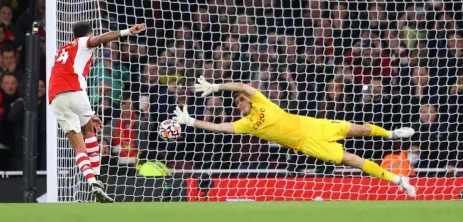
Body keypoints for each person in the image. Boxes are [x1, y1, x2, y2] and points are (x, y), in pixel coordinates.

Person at [173, 76, 417, 197]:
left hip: (312, 125)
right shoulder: (245, 124)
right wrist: (191, 121)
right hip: (307, 143)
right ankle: (399, 181)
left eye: (241, 99)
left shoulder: (260, 100)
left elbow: (244, 86)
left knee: (360, 129)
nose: (240, 103)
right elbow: (219, 127)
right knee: (352, 160)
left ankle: (390, 133)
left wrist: (216, 87)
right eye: (237, 103)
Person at [48, 21, 146, 203]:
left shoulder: (63, 50)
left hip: (55, 96)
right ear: (88, 34)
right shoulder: (82, 43)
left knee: (78, 145)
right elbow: (101, 39)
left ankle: (92, 182)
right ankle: (97, 176)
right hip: (74, 90)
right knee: (89, 132)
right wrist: (127, 32)